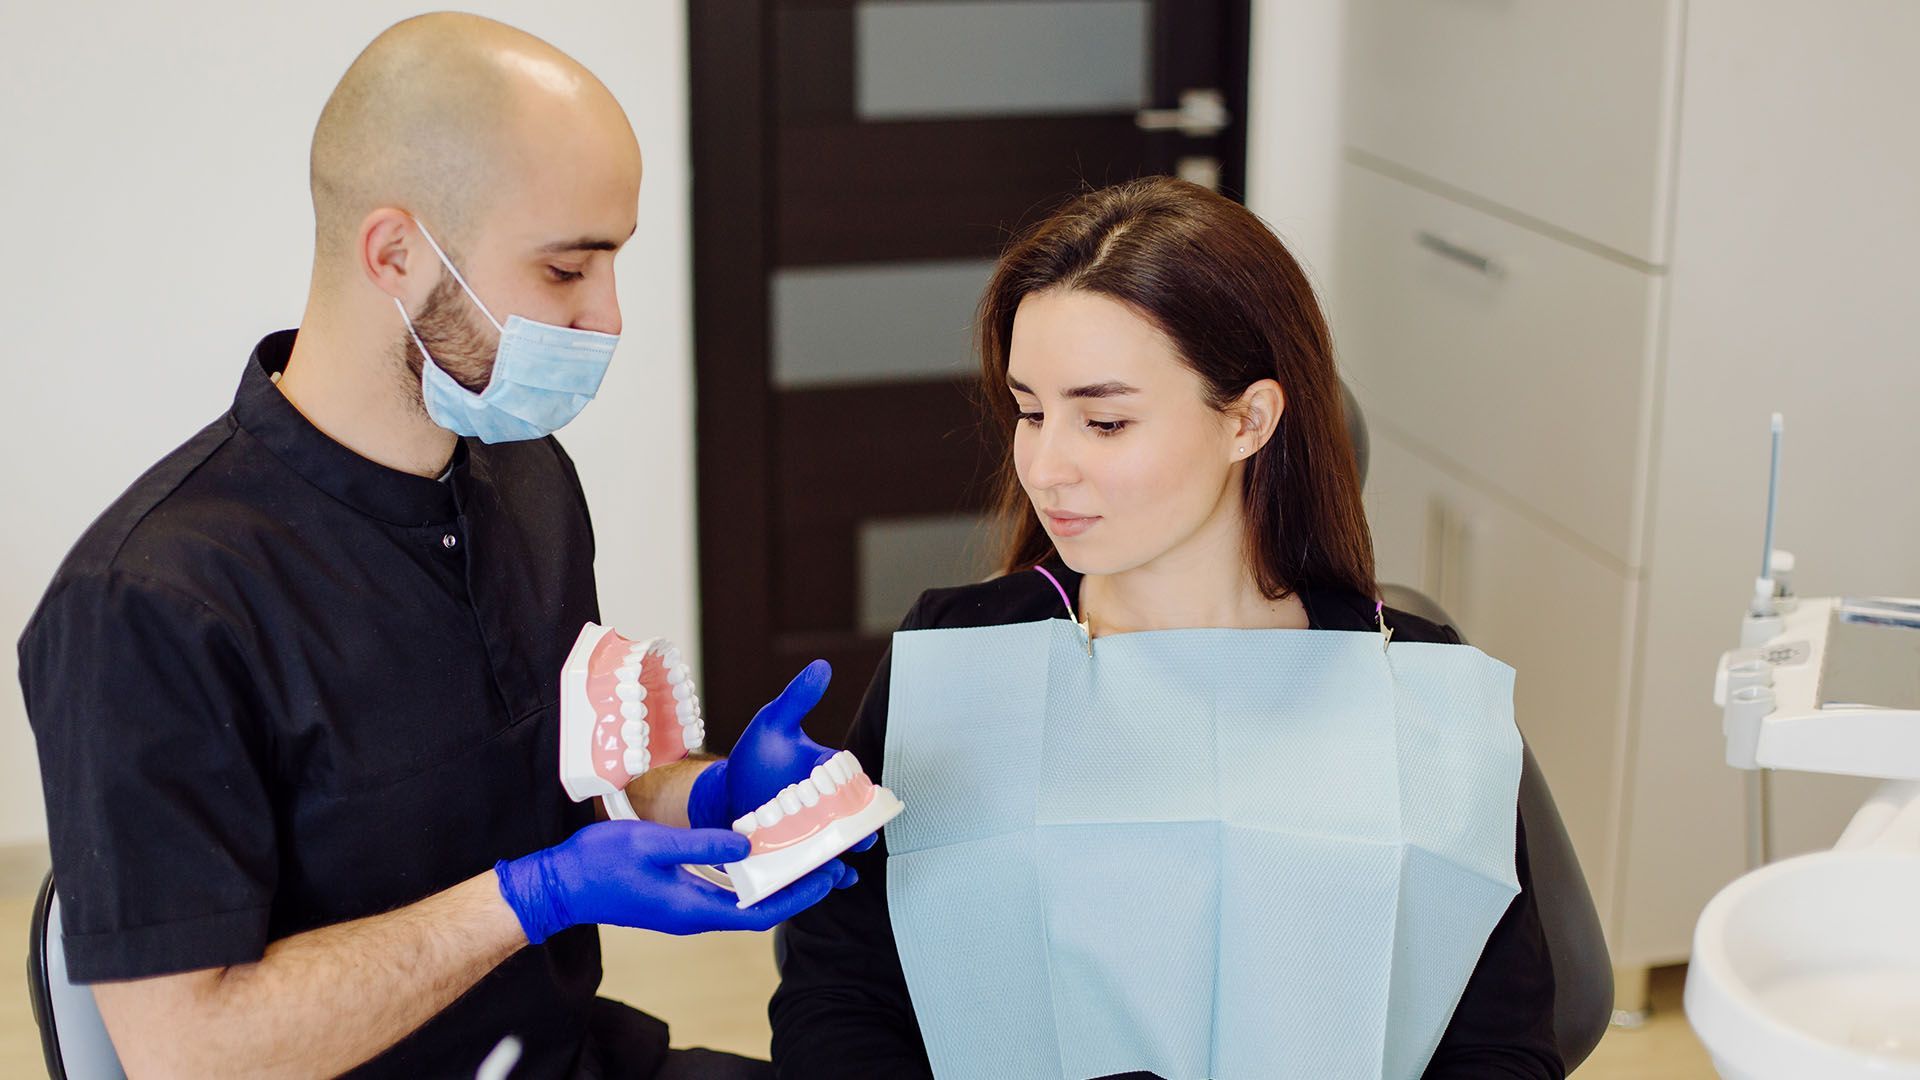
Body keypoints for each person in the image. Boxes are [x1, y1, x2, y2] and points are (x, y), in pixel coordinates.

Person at [17, 14, 856, 1078]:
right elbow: (192, 1051)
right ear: (397, 254)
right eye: (565, 272)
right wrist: (529, 899)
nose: (609, 318)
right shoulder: (148, 602)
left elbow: (575, 783)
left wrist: (710, 799)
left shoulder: (524, 479)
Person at [769, 177, 1564, 1078]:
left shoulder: (1415, 696)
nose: (1045, 466)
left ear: (1248, 420)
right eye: (1030, 411)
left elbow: (1502, 1049)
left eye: (1105, 421)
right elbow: (840, 999)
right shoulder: (960, 663)